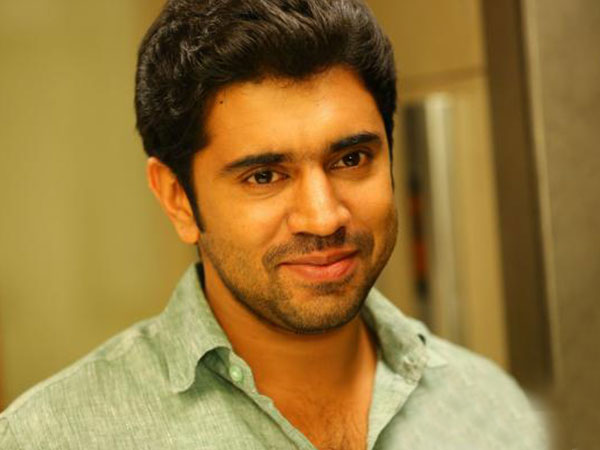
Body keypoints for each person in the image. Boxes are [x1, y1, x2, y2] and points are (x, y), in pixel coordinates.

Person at [0, 0, 546, 448]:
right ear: (178, 199)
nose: (324, 217)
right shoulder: (52, 437)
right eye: (264, 176)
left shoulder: (491, 406)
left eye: (351, 159)